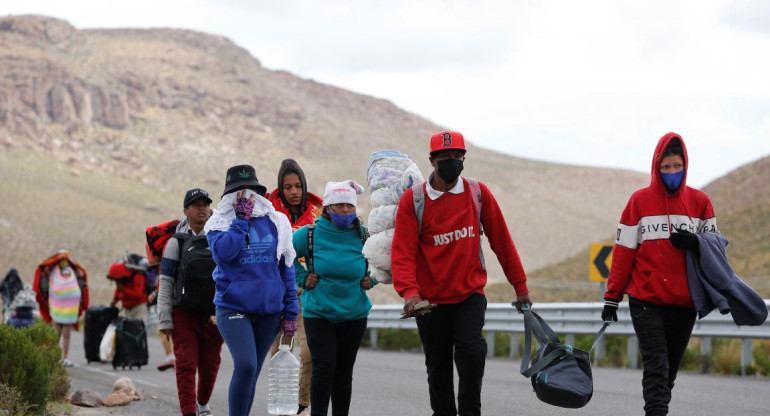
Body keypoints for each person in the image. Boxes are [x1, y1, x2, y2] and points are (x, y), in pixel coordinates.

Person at [391, 130, 532, 416]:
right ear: (432, 161)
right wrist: (410, 293)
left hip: (469, 295)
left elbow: (501, 241)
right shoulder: (414, 200)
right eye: (445, 157)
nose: (452, 161)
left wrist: (520, 286)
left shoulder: (478, 193)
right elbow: (403, 252)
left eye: (458, 156)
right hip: (430, 303)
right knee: (438, 367)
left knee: (471, 355)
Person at [602, 132, 718, 416]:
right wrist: (612, 298)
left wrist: (696, 242)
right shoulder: (638, 202)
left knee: (669, 374)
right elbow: (623, 253)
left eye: (677, 166)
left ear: (685, 165)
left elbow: (717, 252)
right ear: (656, 167)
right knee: (656, 366)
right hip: (646, 300)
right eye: (665, 167)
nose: (671, 172)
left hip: (684, 302)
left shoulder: (701, 203)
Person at [205, 164, 299, 416]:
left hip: (269, 310)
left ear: (258, 191)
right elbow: (225, 253)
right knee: (245, 365)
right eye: (238, 191)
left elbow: (286, 269)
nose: (244, 196)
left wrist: (291, 312)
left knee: (253, 371)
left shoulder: (277, 221)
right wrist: (240, 221)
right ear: (228, 195)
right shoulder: (218, 223)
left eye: (249, 190)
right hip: (232, 307)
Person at [292, 180, 374, 416]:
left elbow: (384, 261)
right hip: (319, 312)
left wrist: (373, 279)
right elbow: (284, 257)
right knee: (324, 366)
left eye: (350, 206)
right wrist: (302, 278)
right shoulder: (308, 235)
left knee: (343, 372)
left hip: (354, 313)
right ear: (327, 208)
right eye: (340, 205)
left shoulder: (364, 234)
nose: (346, 211)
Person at [157, 188, 223, 416]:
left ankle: (202, 403)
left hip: (215, 314)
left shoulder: (221, 236)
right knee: (185, 365)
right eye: (196, 204)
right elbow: (165, 281)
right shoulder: (176, 242)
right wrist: (165, 318)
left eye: (205, 204)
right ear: (186, 211)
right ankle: (189, 412)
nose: (202, 208)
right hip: (183, 313)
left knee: (210, 365)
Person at [267, 158, 323, 415]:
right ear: (281, 186)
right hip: (275, 294)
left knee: (309, 352)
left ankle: (301, 402)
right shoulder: (268, 210)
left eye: (298, 186)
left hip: (306, 294)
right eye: (288, 186)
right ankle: (281, 404)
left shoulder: (318, 212)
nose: (293, 192)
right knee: (278, 351)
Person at [32, 250, 90, 367]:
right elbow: (44, 286)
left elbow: (82, 282)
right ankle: (57, 357)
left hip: (66, 307)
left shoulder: (61, 271)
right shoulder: (54, 271)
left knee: (63, 334)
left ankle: (63, 357)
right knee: (58, 334)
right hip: (59, 306)